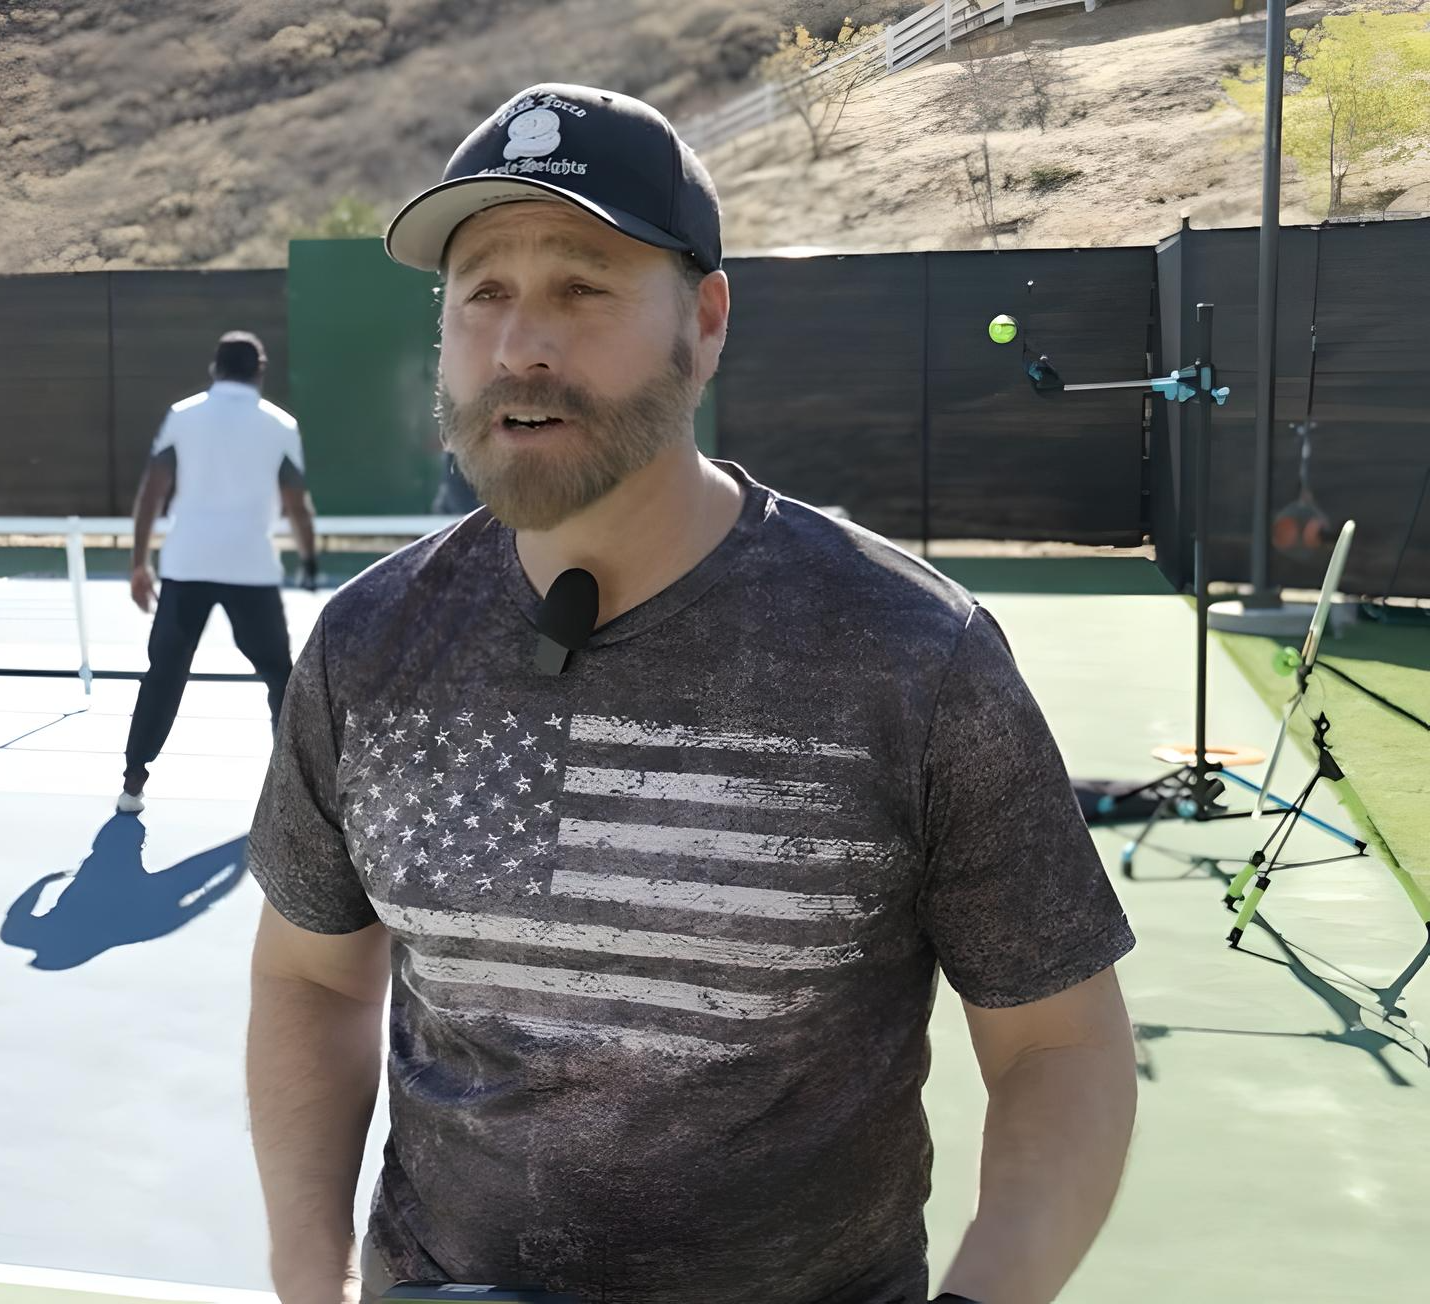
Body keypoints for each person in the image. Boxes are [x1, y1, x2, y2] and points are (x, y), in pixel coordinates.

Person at [244, 84, 1136, 1304]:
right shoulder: (367, 643)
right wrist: (311, 1267)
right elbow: (310, 972)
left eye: (582, 286)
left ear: (705, 321)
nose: (521, 346)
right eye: (483, 294)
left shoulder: (914, 651)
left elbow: (1061, 1044)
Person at [121, 331, 318, 813]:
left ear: (215, 368)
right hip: (251, 567)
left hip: (187, 565)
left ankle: (133, 782)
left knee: (165, 672)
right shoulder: (280, 425)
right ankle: (290, 792)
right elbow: (296, 501)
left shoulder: (183, 417)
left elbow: (152, 489)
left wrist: (138, 561)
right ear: (260, 370)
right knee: (278, 676)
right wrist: (310, 558)